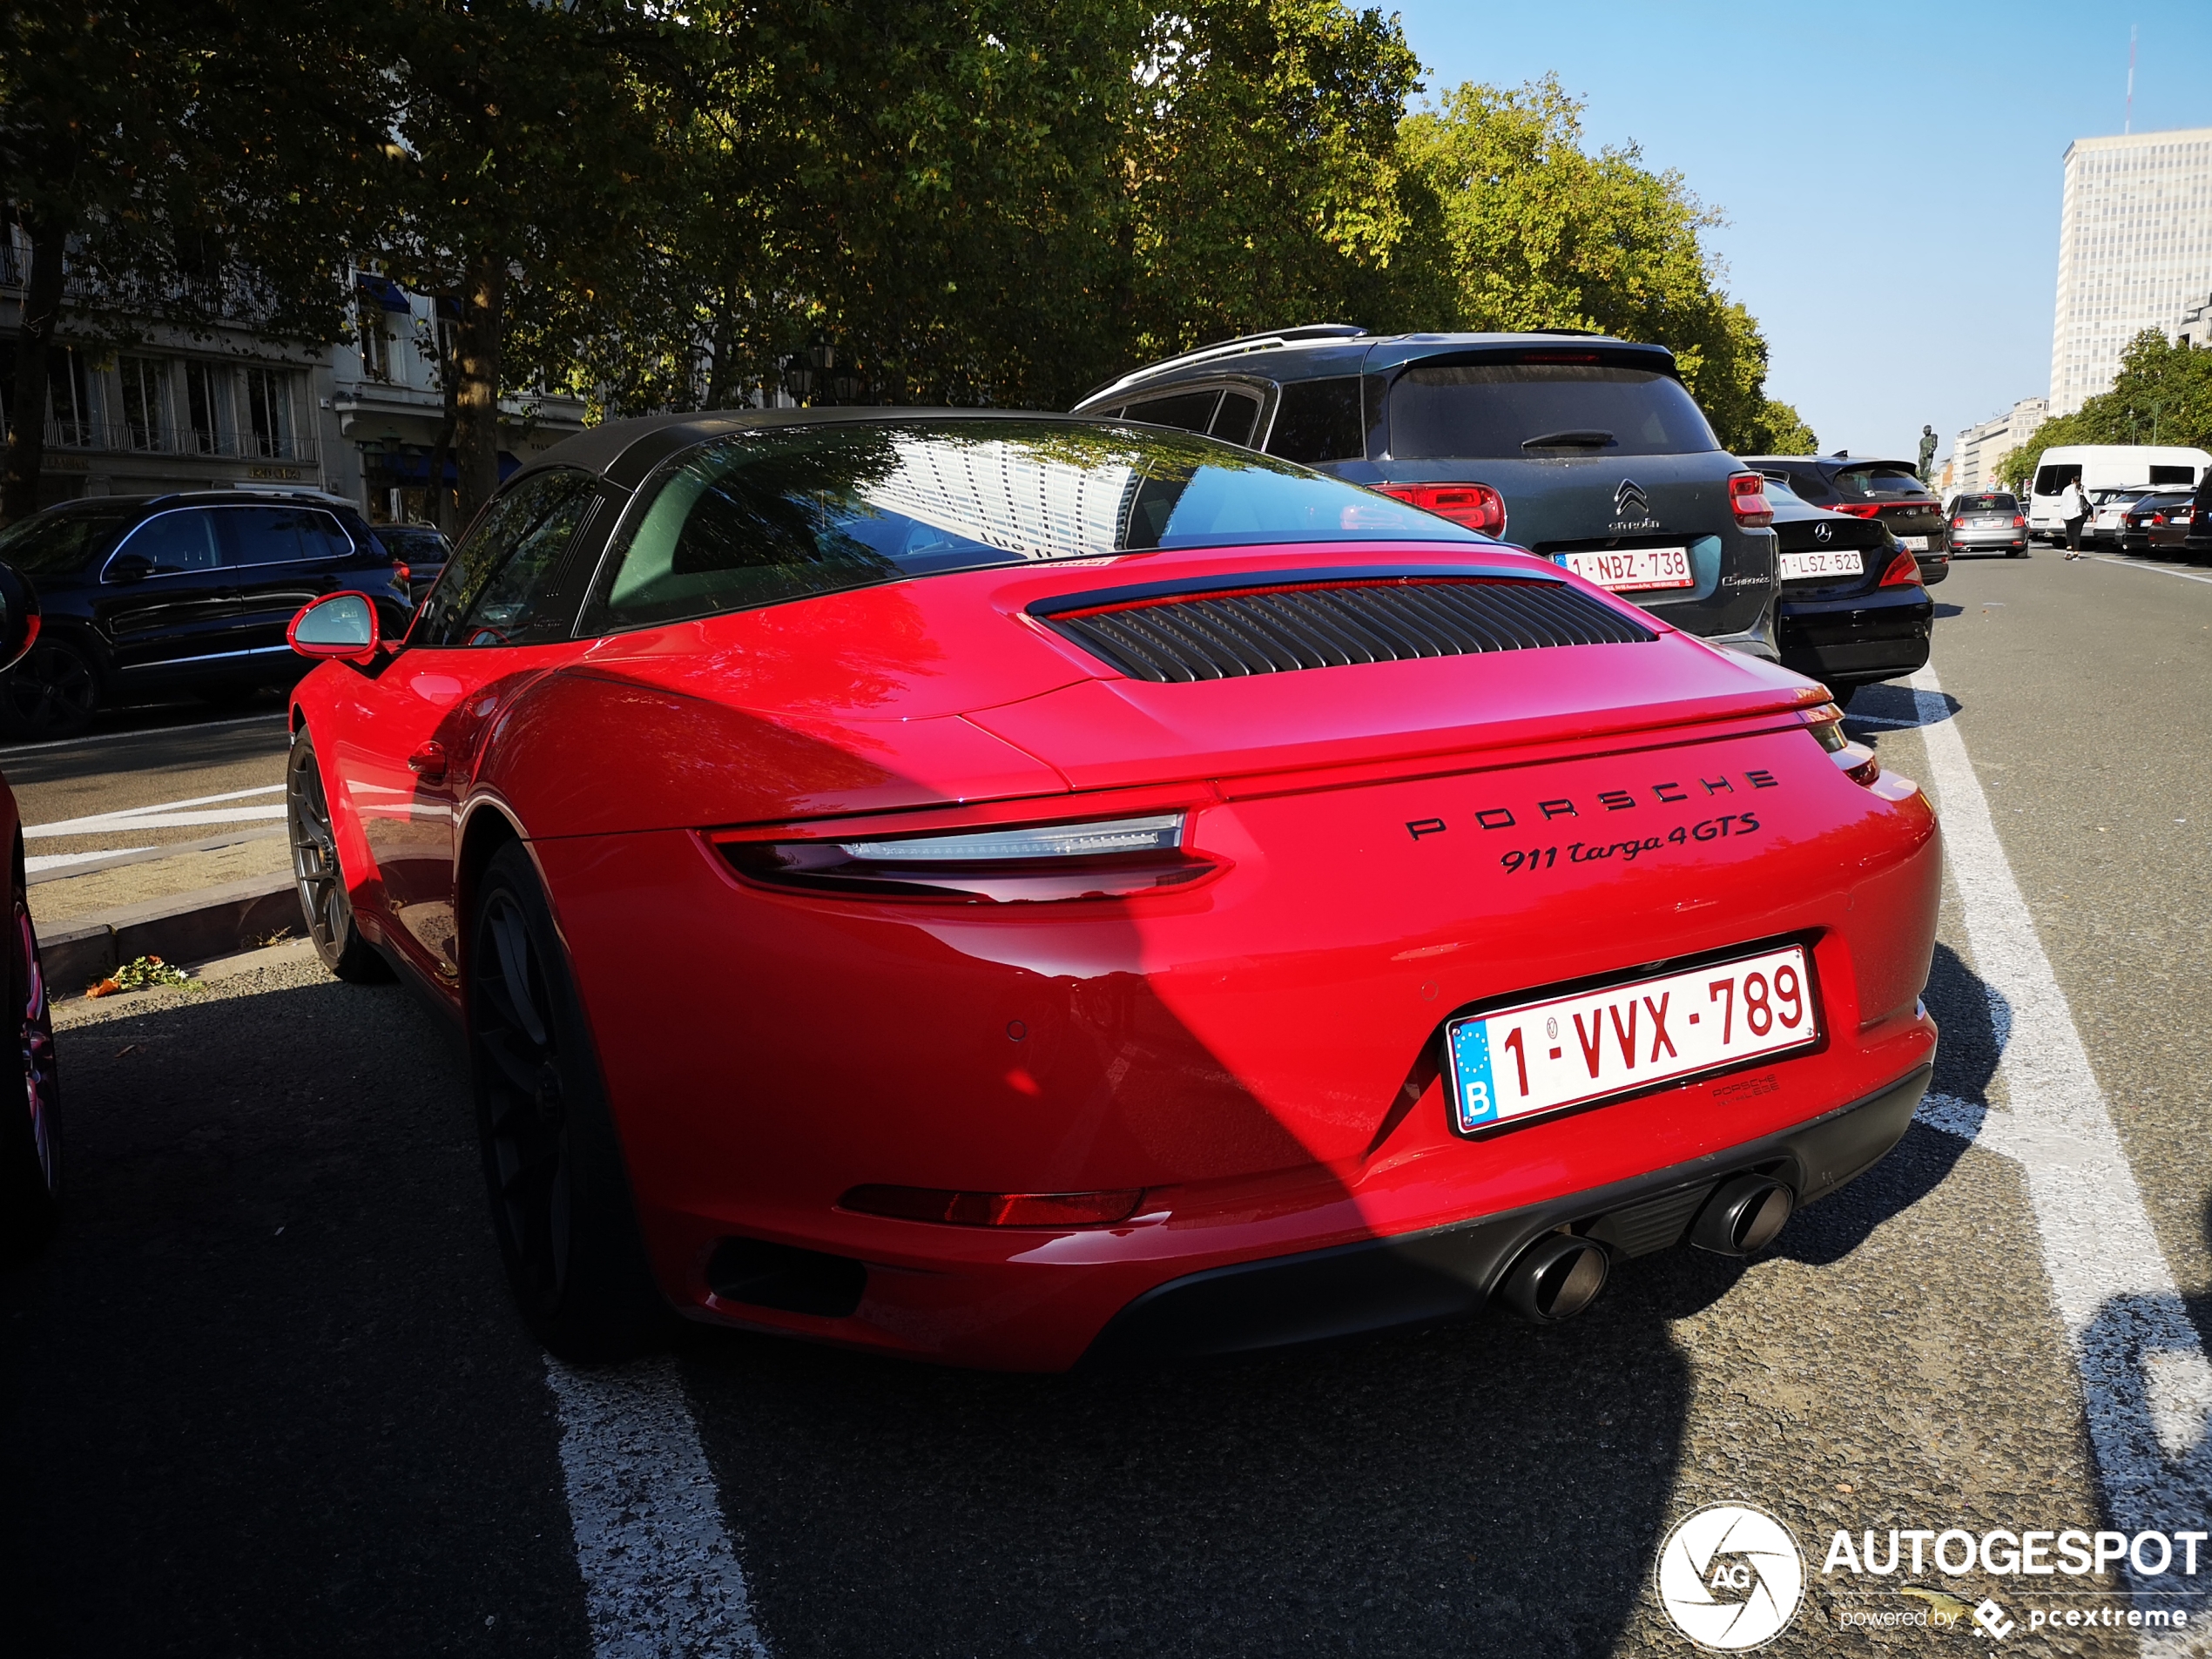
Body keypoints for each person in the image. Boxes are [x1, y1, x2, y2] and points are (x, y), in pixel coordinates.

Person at [2058, 476, 2086, 558]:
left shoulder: (2066, 489)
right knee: (2077, 534)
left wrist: (2061, 516)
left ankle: (2069, 551)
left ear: (2072, 480)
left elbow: (2063, 503)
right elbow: (2089, 501)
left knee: (2069, 533)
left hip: (2068, 515)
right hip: (2079, 514)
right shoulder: (2082, 488)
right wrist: (2093, 514)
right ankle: (2076, 554)